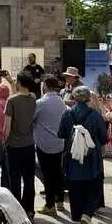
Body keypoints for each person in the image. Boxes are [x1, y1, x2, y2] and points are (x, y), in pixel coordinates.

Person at [58, 86, 107, 224]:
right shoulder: (95, 115)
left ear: (74, 97)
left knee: (74, 187)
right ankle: (87, 213)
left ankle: (78, 215)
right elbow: (103, 136)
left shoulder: (67, 114)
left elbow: (61, 133)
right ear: (88, 98)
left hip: (72, 155)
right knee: (94, 185)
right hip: (92, 156)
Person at [4, 71, 37, 219]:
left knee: (15, 179)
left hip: (14, 145)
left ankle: (17, 210)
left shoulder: (11, 100)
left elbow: (7, 126)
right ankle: (29, 208)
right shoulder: (33, 99)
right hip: (29, 144)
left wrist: (4, 141)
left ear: (19, 83)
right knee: (29, 179)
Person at [34, 75, 67, 215]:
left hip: (44, 143)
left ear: (46, 85)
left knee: (47, 174)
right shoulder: (61, 102)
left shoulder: (41, 102)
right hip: (59, 142)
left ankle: (50, 205)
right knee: (58, 172)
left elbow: (31, 118)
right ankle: (60, 201)